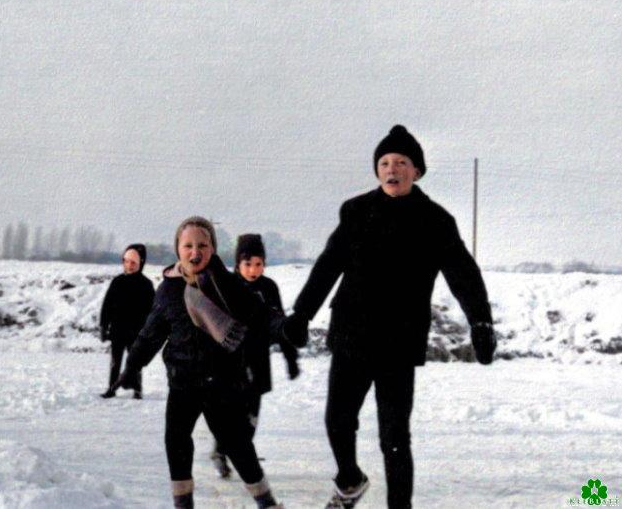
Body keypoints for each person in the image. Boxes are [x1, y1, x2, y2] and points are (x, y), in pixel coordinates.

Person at [283, 126, 497, 509]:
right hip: (351, 333)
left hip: (399, 340)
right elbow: (329, 265)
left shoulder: (435, 221)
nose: (391, 169)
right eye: (384, 162)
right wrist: (302, 312)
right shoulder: (356, 211)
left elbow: (463, 274)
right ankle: (349, 479)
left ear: (416, 170)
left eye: (400, 162)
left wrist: (480, 322)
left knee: (394, 435)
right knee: (337, 421)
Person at [109, 217, 284, 509]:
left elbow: (260, 315)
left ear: (212, 249)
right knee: (176, 442)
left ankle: (267, 502)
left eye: (203, 245)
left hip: (224, 383)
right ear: (178, 249)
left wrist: (285, 328)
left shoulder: (227, 285)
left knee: (238, 445)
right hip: (183, 383)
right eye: (188, 245)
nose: (195, 251)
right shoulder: (168, 290)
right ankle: (183, 504)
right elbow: (151, 334)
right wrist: (131, 367)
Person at [210, 233, 300, 479]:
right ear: (237, 264)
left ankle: (235, 451)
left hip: (258, 357)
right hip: (231, 359)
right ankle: (222, 450)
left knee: (252, 415)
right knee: (232, 412)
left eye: (258, 264)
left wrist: (290, 358)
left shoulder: (269, 288)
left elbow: (279, 324)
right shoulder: (227, 285)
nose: (253, 270)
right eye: (247, 264)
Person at [99, 243, 155, 399]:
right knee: (115, 362)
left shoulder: (146, 285)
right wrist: (103, 326)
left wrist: (149, 332)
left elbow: (152, 312)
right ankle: (112, 388)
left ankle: (137, 390)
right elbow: (107, 305)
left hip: (136, 333)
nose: (129, 266)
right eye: (126, 261)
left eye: (133, 263)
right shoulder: (117, 282)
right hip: (117, 331)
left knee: (134, 363)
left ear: (140, 264)